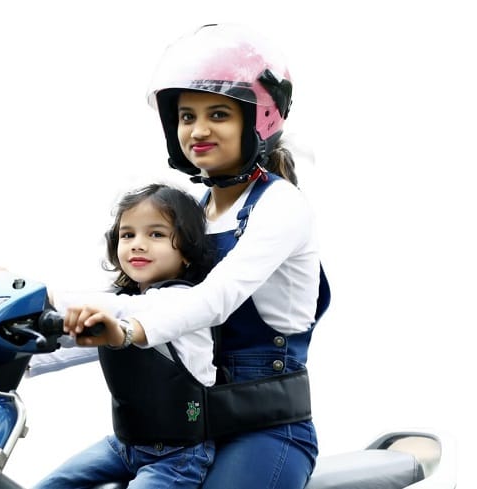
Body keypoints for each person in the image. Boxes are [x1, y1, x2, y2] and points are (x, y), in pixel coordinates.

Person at [48, 23, 331, 489]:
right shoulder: (194, 213)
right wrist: (31, 313)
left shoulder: (281, 205)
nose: (197, 130)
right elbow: (138, 303)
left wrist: (128, 330)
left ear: (258, 120)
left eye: (218, 114)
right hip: (188, 426)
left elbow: (213, 299)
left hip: (265, 427)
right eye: (186, 116)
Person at [34, 183, 217, 488]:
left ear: (187, 252)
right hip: (125, 445)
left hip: (177, 457)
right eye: (128, 235)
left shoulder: (183, 301)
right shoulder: (124, 304)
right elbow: (69, 345)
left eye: (156, 234)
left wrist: (42, 296)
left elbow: (123, 310)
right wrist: (16, 357)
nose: (138, 245)